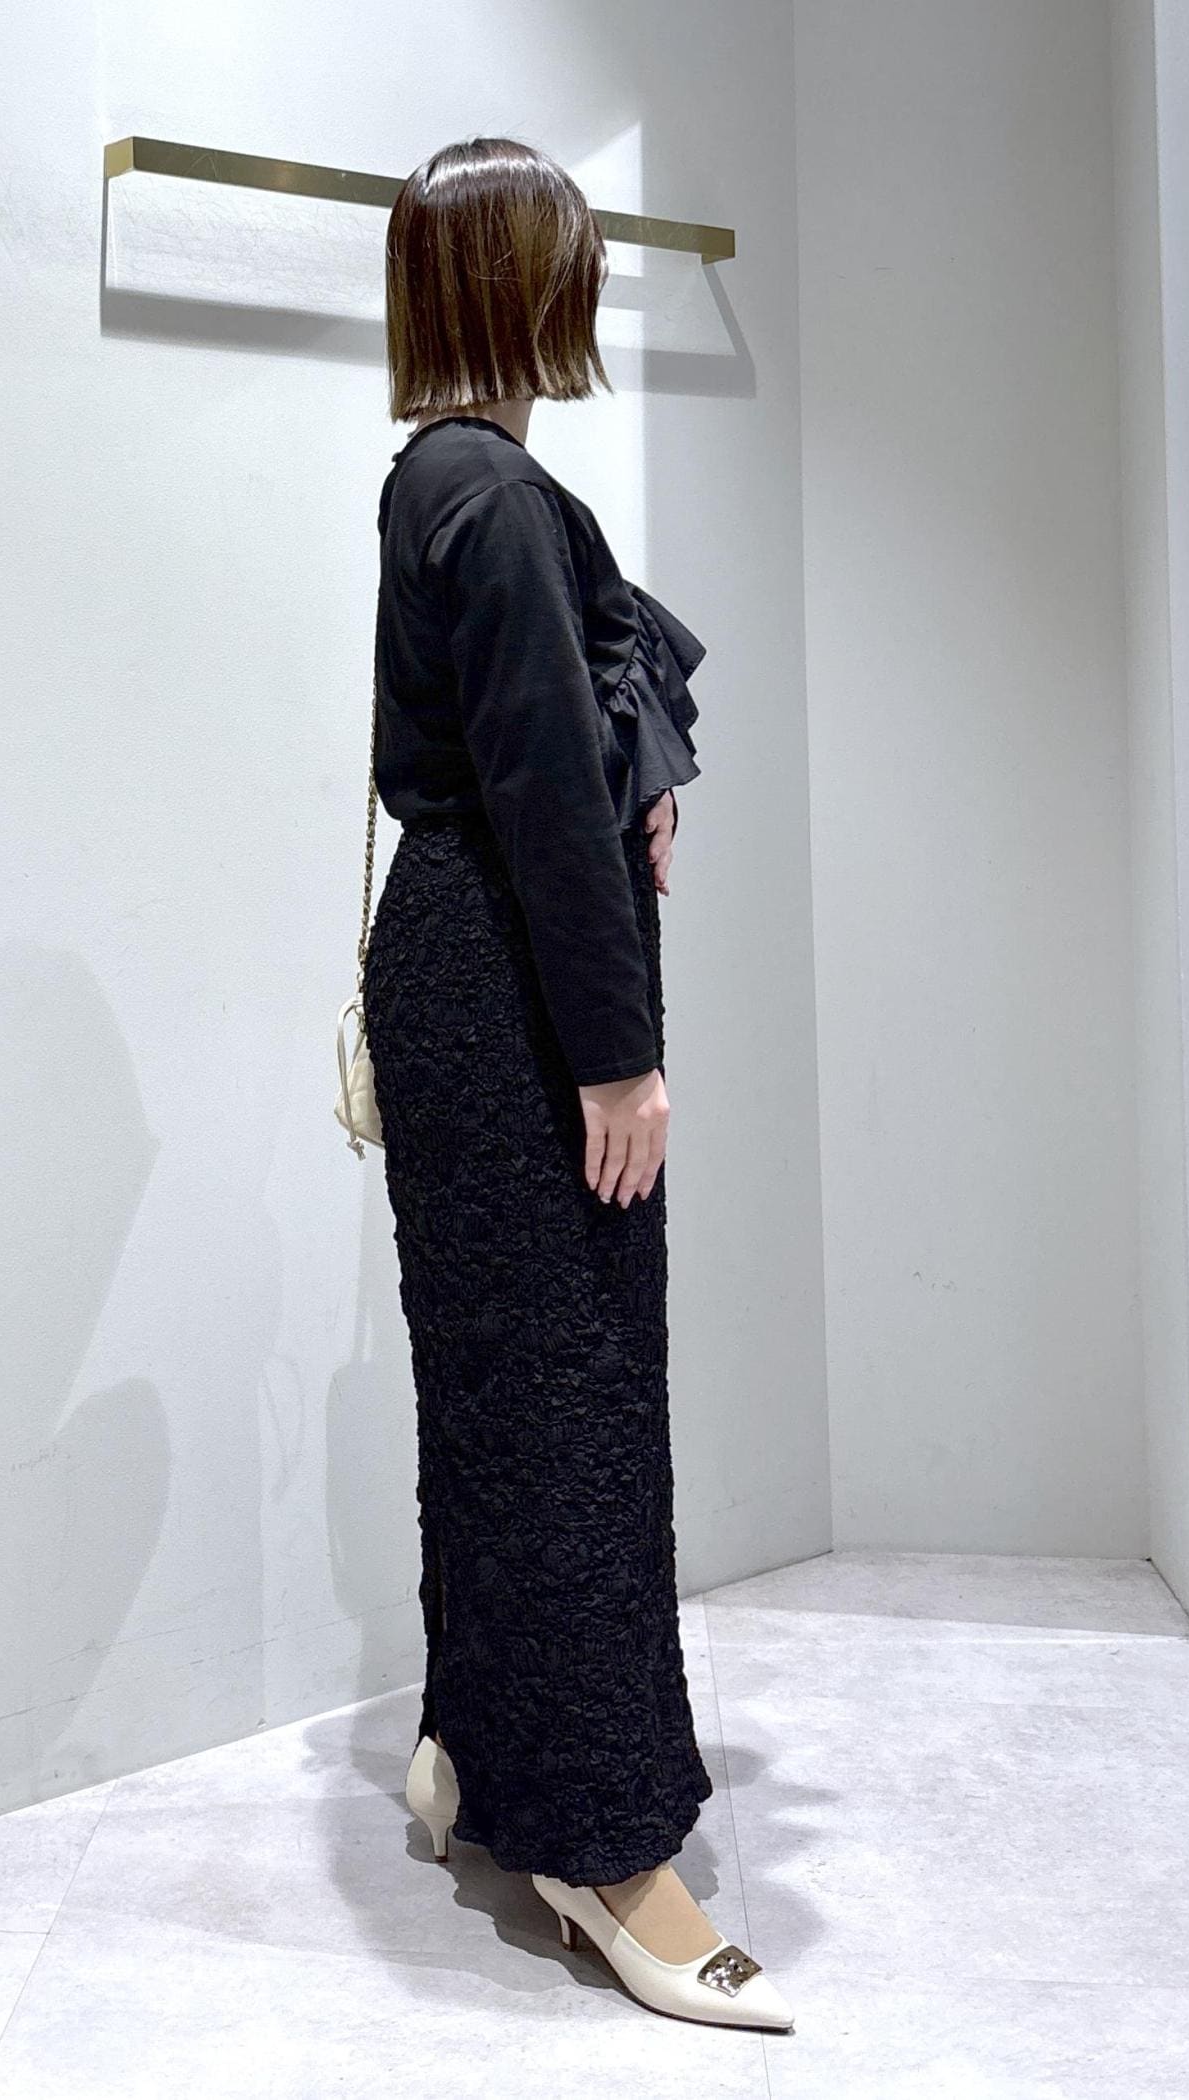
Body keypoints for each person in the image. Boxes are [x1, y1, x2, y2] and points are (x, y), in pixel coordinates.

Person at [361, 136, 794, 2034]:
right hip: (519, 992)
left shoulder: (439, 478)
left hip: (460, 965)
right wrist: (621, 1057)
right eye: (575, 255)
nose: (595, 282)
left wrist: (639, 781)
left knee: (499, 1389)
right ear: (521, 281)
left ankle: (479, 1748)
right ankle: (613, 1853)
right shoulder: (495, 496)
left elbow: (538, 735)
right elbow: (543, 794)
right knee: (576, 1405)